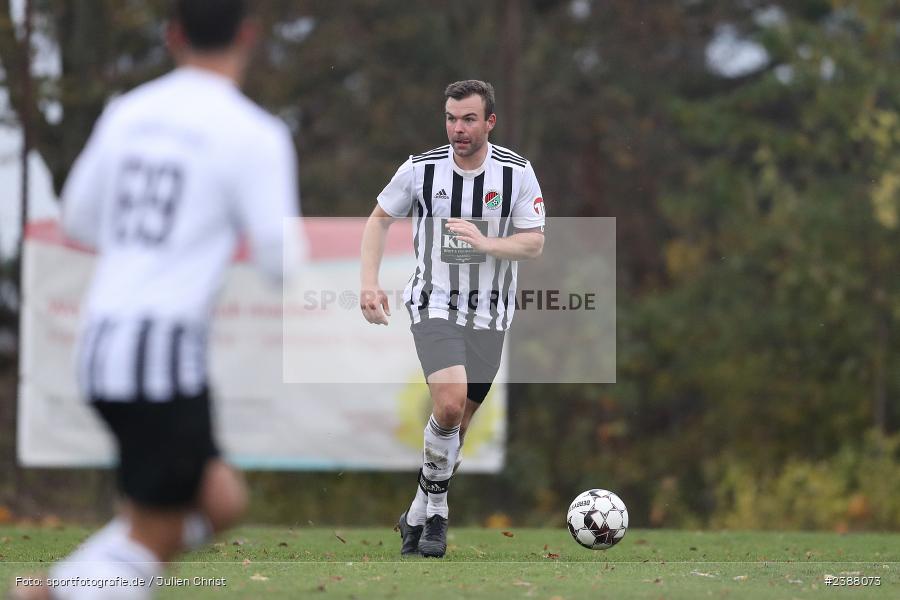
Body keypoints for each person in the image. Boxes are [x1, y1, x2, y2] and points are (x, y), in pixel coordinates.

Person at [13, 1, 304, 598]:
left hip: (101, 342)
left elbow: (78, 218)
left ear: (173, 37)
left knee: (219, 500)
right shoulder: (255, 133)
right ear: (247, 37)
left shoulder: (128, 113)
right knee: (158, 533)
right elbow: (280, 260)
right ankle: (63, 592)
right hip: (160, 353)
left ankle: (56, 588)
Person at [360, 80, 546, 558]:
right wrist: (369, 281)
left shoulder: (516, 173)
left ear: (490, 122)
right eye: (450, 118)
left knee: (455, 431)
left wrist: (486, 243)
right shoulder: (421, 169)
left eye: (467, 119)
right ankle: (439, 514)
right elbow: (379, 219)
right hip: (434, 303)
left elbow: (533, 241)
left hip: (491, 312)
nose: (457, 129)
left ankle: (415, 512)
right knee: (447, 406)